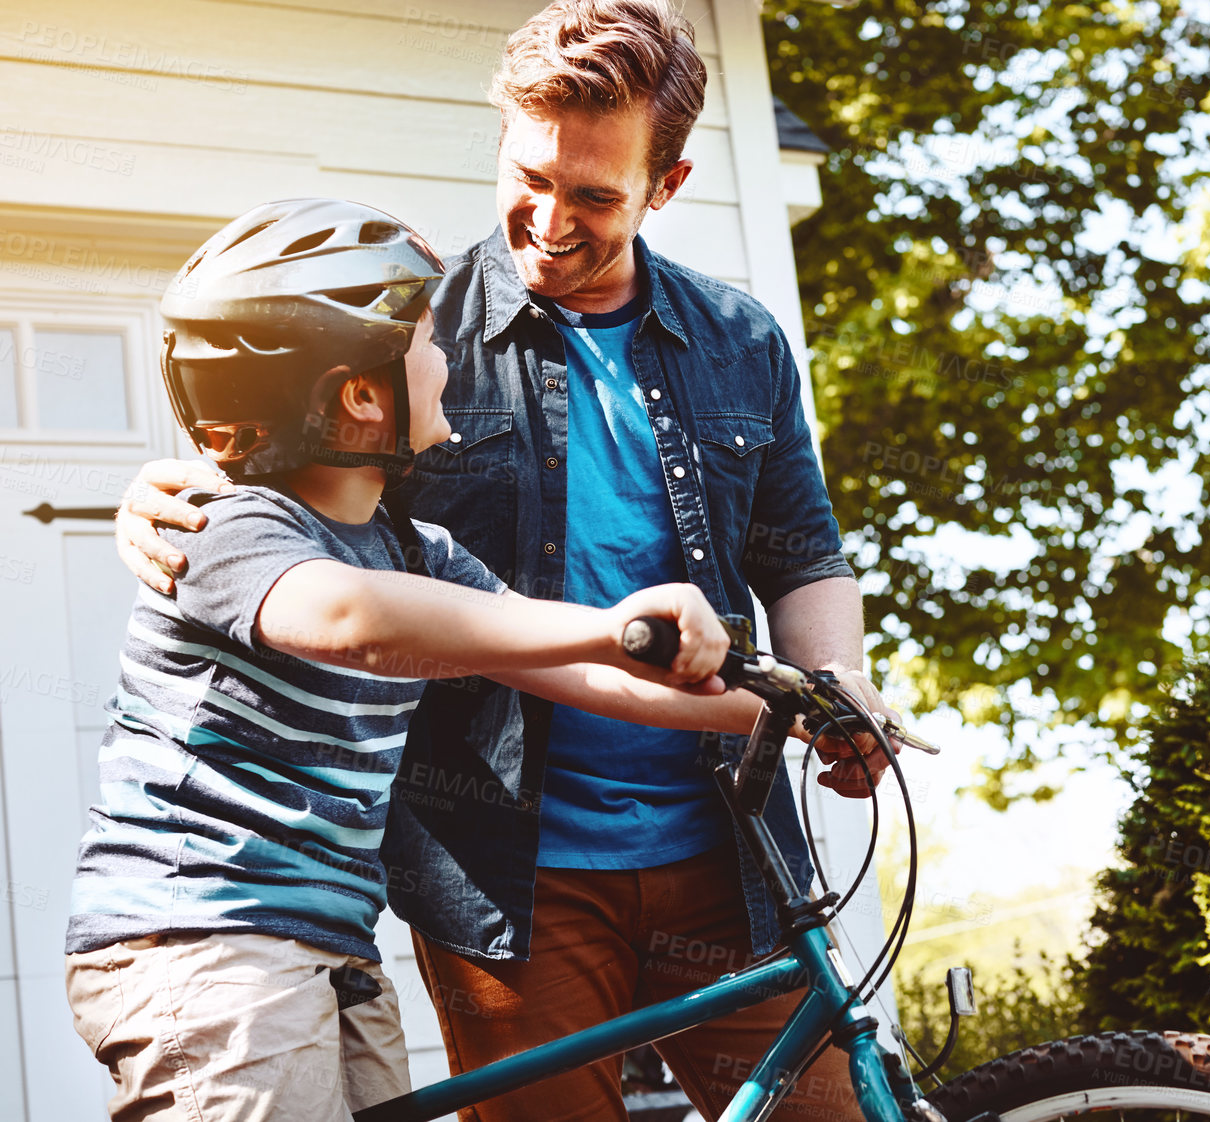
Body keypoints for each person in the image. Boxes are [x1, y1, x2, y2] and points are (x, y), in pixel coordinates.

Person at [114, 2, 902, 1120]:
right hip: (503, 872)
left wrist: (832, 695)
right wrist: (153, 492)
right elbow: (280, 504)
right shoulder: (407, 336)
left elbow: (801, 554)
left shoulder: (741, 341)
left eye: (593, 196)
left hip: (727, 853)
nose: (547, 220)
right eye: (529, 177)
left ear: (664, 188)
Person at [72, 197, 749, 1122]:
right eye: (429, 342)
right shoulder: (227, 528)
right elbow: (349, 619)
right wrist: (611, 624)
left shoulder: (417, 549)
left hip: (333, 944)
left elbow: (573, 674)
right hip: (207, 943)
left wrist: (777, 709)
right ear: (359, 394)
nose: (448, 361)